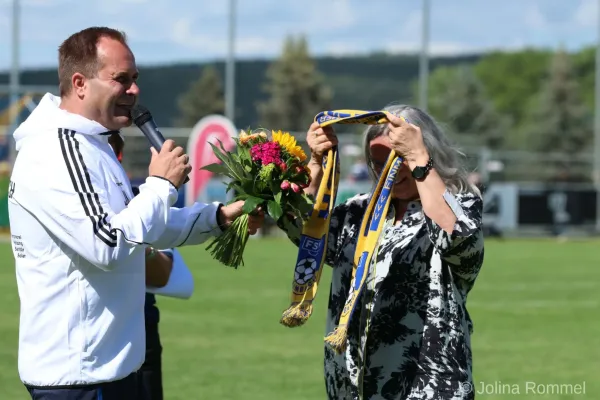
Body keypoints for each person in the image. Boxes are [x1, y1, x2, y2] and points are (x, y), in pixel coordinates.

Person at [8, 26, 263, 400]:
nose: (134, 90)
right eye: (121, 79)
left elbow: (139, 227)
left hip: (108, 372)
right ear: (80, 83)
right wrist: (161, 185)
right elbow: (108, 245)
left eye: (135, 79)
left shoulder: (91, 144)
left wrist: (219, 217)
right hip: (79, 379)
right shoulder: (55, 151)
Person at [279, 104, 484, 399]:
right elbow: (302, 231)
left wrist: (418, 159)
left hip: (428, 387)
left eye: (397, 157)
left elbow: (456, 240)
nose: (387, 170)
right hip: (352, 387)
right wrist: (316, 161)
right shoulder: (358, 211)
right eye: (377, 162)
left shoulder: (460, 204)